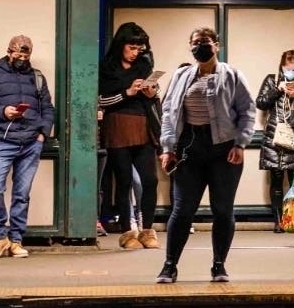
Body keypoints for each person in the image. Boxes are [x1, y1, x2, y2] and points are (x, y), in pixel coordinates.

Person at [156, 27, 255, 283]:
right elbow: (169, 112)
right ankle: (169, 266)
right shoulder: (181, 75)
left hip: (224, 150)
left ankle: (219, 265)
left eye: (206, 42)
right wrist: (168, 148)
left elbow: (247, 111)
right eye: (196, 42)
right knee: (182, 209)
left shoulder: (232, 75)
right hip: (190, 147)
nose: (201, 46)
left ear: (216, 45)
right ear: (190, 46)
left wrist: (241, 144)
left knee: (222, 210)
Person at [0, 34, 55, 259]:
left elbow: (47, 108)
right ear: (8, 51)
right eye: (17, 52)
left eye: (26, 53)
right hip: (2, 141)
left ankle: (16, 240)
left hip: (30, 143)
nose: (21, 57)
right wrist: (3, 111)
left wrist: (42, 134)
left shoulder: (37, 78)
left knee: (22, 193)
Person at [98, 22, 161, 251]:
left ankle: (147, 230)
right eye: (132, 47)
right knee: (123, 181)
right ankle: (127, 232)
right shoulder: (107, 67)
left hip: (143, 125)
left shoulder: (144, 65)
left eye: (139, 48)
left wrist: (151, 92)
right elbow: (100, 100)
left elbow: (155, 95)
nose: (136, 52)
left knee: (150, 180)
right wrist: (127, 93)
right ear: (121, 45)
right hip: (117, 126)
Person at [256, 49, 294, 233]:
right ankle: (278, 221)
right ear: (282, 67)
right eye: (288, 69)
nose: (291, 72)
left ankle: (293, 220)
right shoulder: (272, 80)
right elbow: (260, 103)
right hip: (274, 138)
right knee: (276, 182)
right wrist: (277, 90)